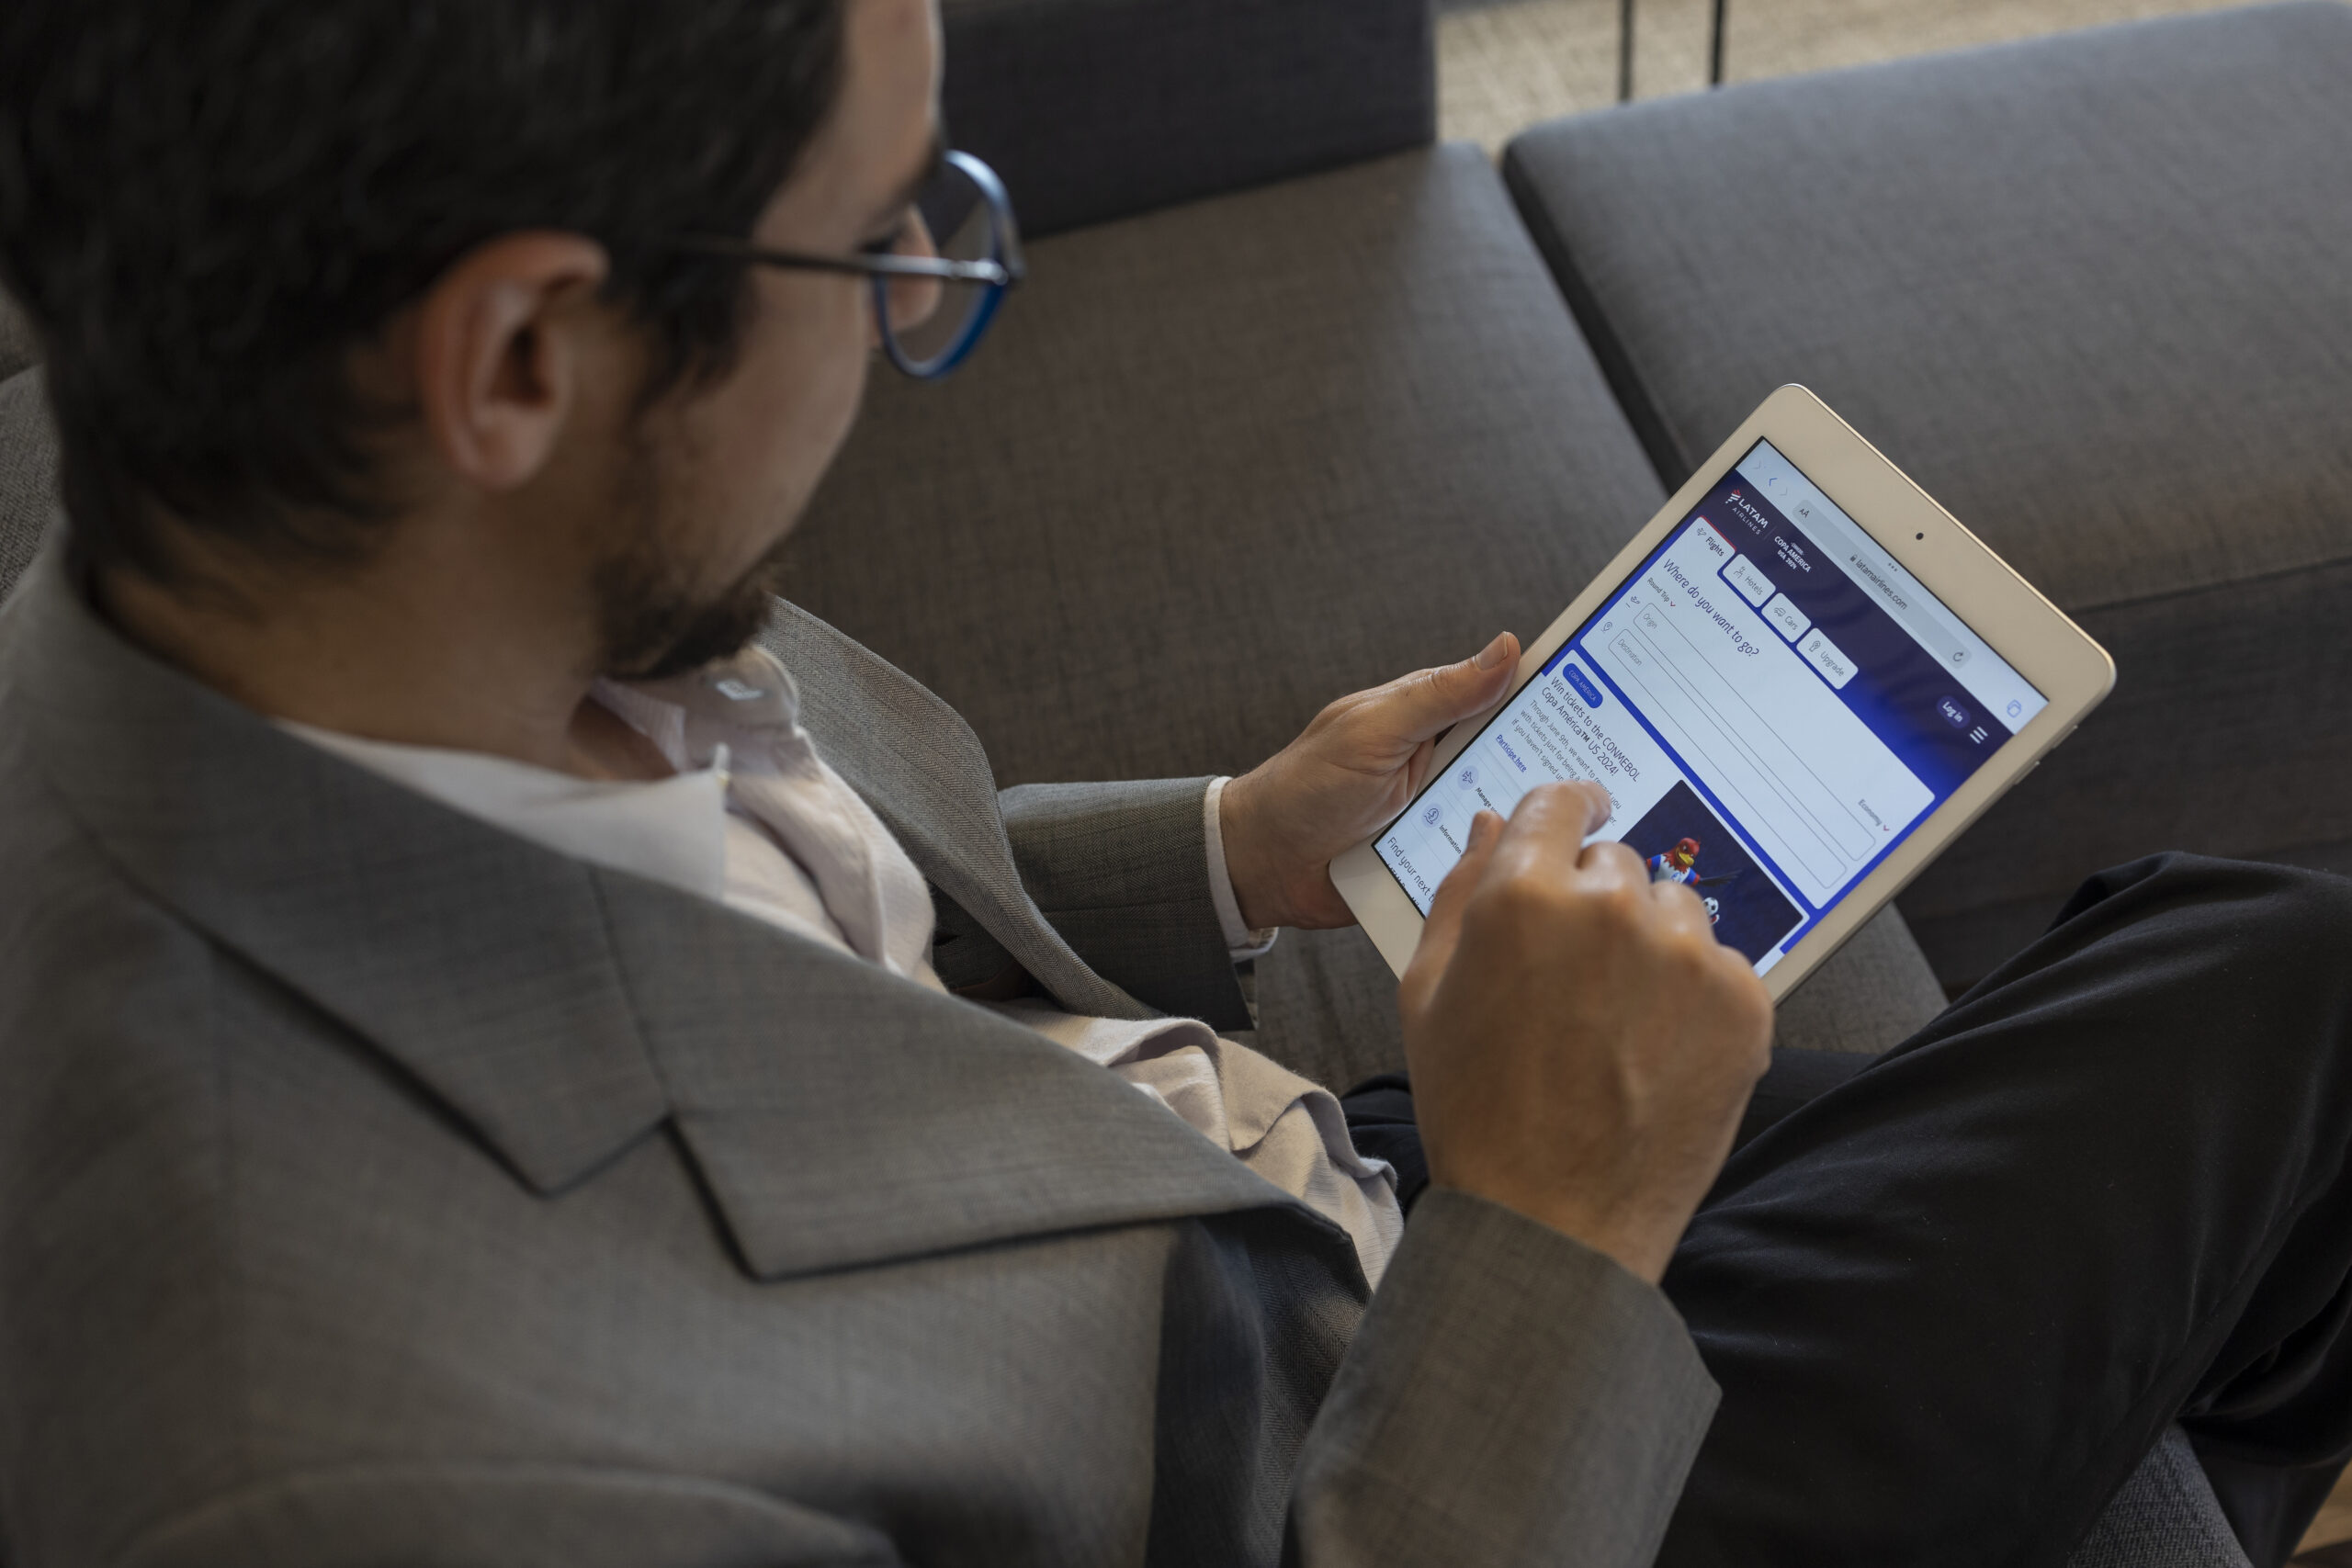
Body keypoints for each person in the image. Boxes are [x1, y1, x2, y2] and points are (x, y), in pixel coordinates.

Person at [0, 2, 2346, 1565]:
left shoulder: (282, 547)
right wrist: (1543, 1228)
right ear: (517, 354)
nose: (909, 314)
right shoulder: (388, 1471)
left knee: (2225, 966)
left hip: (1237, 1176)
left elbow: (781, 942)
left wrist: (1230, 846)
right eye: (879, 237)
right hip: (1398, 1453)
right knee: (2288, 1002)